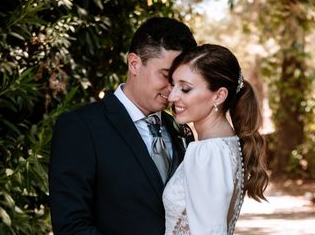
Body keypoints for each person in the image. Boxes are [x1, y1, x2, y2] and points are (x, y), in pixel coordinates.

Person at [49, 17, 197, 235]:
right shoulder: (80, 127)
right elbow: (71, 226)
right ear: (134, 64)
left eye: (178, 81)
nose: (172, 90)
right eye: (166, 76)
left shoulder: (180, 130)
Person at [163, 44, 269, 235]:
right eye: (173, 84)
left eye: (185, 89)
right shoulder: (228, 144)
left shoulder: (208, 152)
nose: (172, 96)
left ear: (219, 96)